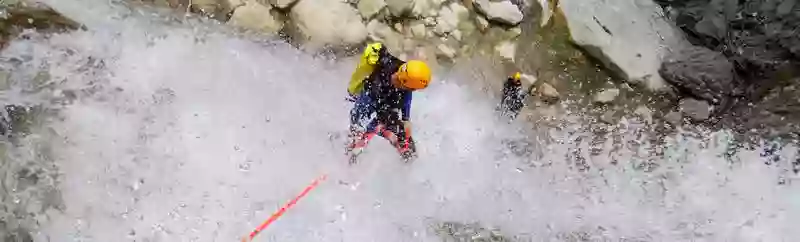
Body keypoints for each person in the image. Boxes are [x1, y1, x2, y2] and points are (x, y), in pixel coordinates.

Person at [345, 42, 432, 162]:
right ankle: (349, 154)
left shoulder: (403, 74)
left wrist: (406, 119)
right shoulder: (379, 84)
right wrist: (361, 140)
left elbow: (407, 94)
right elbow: (369, 117)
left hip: (383, 106)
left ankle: (409, 162)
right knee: (359, 131)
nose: (395, 77)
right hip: (370, 103)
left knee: (405, 142)